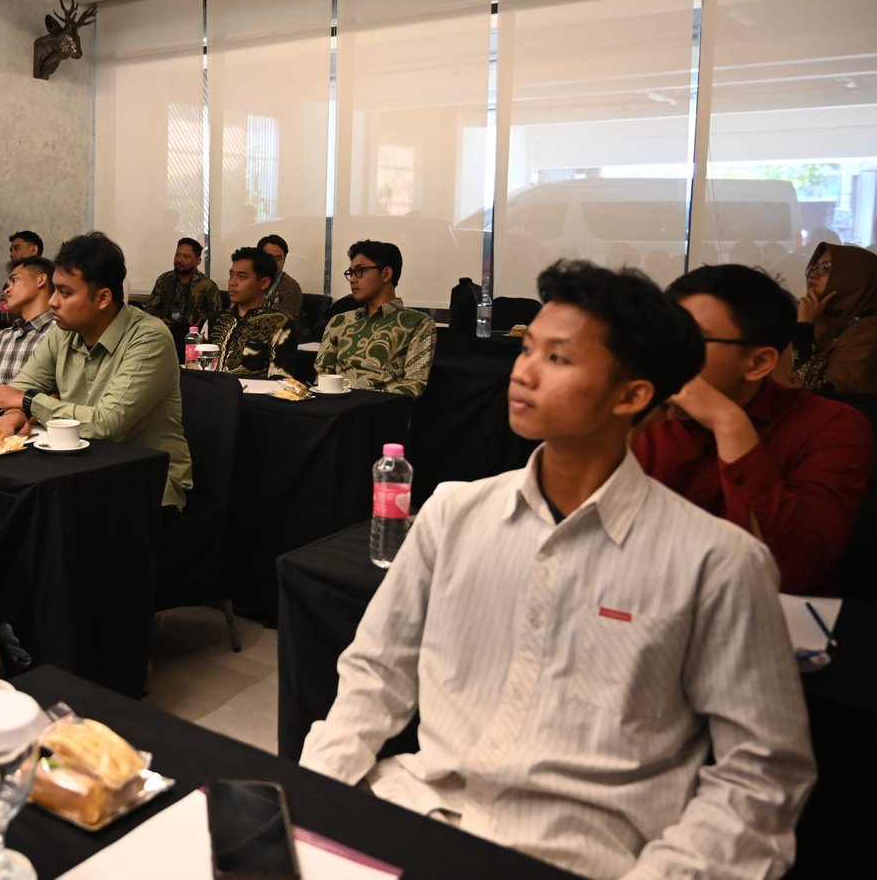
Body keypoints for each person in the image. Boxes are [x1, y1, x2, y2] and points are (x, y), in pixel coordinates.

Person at [301, 260, 815, 880]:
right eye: (529, 348)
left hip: (581, 853)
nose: (523, 371)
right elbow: (376, 674)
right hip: (419, 813)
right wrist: (315, 803)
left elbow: (759, 777)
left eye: (559, 359)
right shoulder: (454, 512)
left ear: (633, 396)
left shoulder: (717, 562)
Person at [633, 263, 871, 593]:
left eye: (688, 339)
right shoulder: (644, 413)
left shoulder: (832, 427)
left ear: (759, 362)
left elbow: (789, 575)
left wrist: (728, 423)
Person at [0, 232, 192, 512]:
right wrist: (16, 413)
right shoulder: (63, 333)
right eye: (54, 290)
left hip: (143, 484)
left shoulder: (149, 337)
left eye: (65, 292)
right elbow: (22, 386)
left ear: (103, 297)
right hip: (76, 472)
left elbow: (105, 424)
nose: (53, 302)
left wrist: (27, 402)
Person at [315, 240, 434, 397]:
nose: (352, 279)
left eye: (360, 271)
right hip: (334, 409)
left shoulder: (417, 323)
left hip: (378, 412)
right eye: (351, 273)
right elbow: (321, 375)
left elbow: (413, 386)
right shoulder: (339, 321)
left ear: (386, 274)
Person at [0, 256, 56, 416]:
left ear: (41, 280)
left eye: (15, 280)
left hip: (27, 429)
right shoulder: (3, 336)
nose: (6, 289)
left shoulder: (58, 334)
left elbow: (57, 397)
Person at [790, 242, 877, 394]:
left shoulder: (869, 331)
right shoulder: (818, 318)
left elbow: (815, 392)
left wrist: (804, 327)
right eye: (813, 267)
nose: (813, 274)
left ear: (854, 278)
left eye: (826, 267)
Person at [202, 247, 293, 377]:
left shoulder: (278, 324)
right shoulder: (216, 320)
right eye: (231, 275)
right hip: (209, 394)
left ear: (264, 283)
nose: (232, 282)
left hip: (252, 396)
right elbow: (196, 365)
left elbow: (281, 380)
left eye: (242, 277)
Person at [143, 237, 220, 330]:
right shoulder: (164, 279)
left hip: (194, 337)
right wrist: (158, 321)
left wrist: (199, 319)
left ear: (198, 261)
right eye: (177, 255)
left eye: (185, 257)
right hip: (164, 334)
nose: (179, 260)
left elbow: (217, 318)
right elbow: (150, 309)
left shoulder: (208, 286)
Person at [258, 234, 303, 321]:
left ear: (284, 260)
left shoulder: (291, 287)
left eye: (278, 258)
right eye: (269, 257)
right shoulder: (249, 280)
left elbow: (283, 325)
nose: (274, 263)